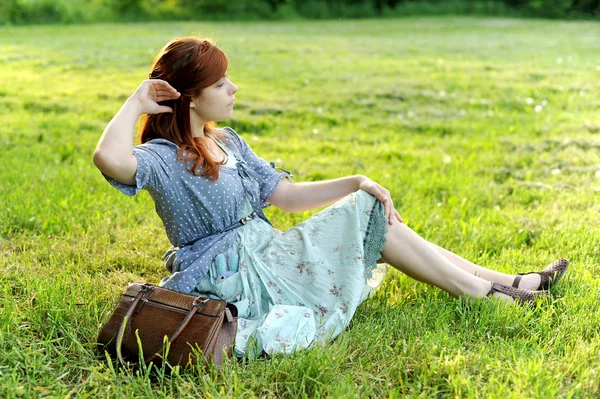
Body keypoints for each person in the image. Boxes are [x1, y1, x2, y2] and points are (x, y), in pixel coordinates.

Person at [93, 37, 569, 358]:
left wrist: (356, 180)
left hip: (268, 253)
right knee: (368, 219)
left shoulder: (230, 141)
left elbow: (287, 196)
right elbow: (108, 159)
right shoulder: (162, 156)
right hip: (236, 276)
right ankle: (493, 295)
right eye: (220, 84)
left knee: (371, 214)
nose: (233, 88)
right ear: (191, 98)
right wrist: (136, 100)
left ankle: (508, 283)